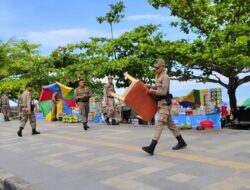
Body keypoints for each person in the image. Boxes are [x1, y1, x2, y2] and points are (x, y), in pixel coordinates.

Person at [142, 59, 187, 155]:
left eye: (157, 67)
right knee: (171, 125)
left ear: (162, 67)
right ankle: (181, 142)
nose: (155, 69)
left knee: (159, 125)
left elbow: (163, 92)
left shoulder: (165, 77)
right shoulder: (158, 76)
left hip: (165, 104)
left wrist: (152, 91)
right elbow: (158, 88)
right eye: (154, 67)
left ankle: (152, 147)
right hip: (161, 103)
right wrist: (149, 86)